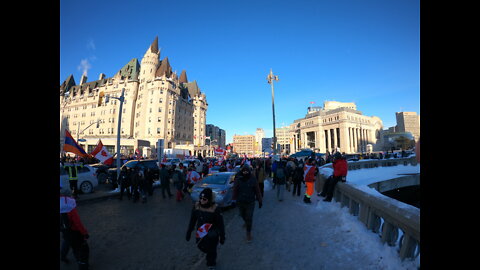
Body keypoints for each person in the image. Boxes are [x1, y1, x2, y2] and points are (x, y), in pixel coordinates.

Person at [186, 188, 225, 270]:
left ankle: (211, 264)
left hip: (212, 233)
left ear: (209, 199)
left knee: (212, 250)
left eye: (204, 199)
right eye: (200, 198)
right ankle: (210, 255)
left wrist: (222, 236)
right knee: (201, 246)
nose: (201, 200)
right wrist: (189, 232)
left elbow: (220, 224)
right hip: (200, 233)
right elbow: (192, 220)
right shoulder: (196, 206)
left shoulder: (215, 209)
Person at [60, 185, 90, 269]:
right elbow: (77, 223)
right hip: (74, 231)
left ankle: (63, 256)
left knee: (67, 241)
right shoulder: (70, 206)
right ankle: (82, 264)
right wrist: (84, 233)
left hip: (64, 230)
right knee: (81, 248)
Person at [232, 164, 263, 242]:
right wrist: (233, 200)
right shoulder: (238, 179)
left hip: (250, 201)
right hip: (240, 201)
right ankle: (246, 222)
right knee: (242, 214)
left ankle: (248, 233)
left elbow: (257, 190)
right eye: (244, 171)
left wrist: (260, 200)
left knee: (249, 217)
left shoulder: (253, 179)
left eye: (247, 171)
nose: (245, 172)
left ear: (249, 171)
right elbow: (235, 190)